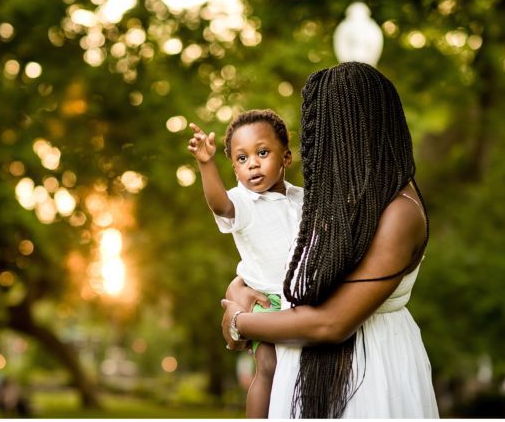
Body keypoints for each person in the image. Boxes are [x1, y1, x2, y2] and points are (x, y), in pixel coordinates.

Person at [220, 61, 438, 418]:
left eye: (327, 132)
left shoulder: (399, 212)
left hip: (369, 379)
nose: (317, 146)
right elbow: (285, 266)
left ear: (364, 128)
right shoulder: (343, 200)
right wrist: (238, 289)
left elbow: (332, 323)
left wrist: (239, 322)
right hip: (305, 374)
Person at [187, 109, 301, 418]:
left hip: (302, 303)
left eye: (262, 153)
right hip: (265, 300)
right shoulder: (243, 203)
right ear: (235, 170)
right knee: (268, 366)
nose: (252, 163)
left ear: (286, 157)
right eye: (241, 159)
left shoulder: (304, 199)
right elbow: (217, 202)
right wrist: (206, 163)